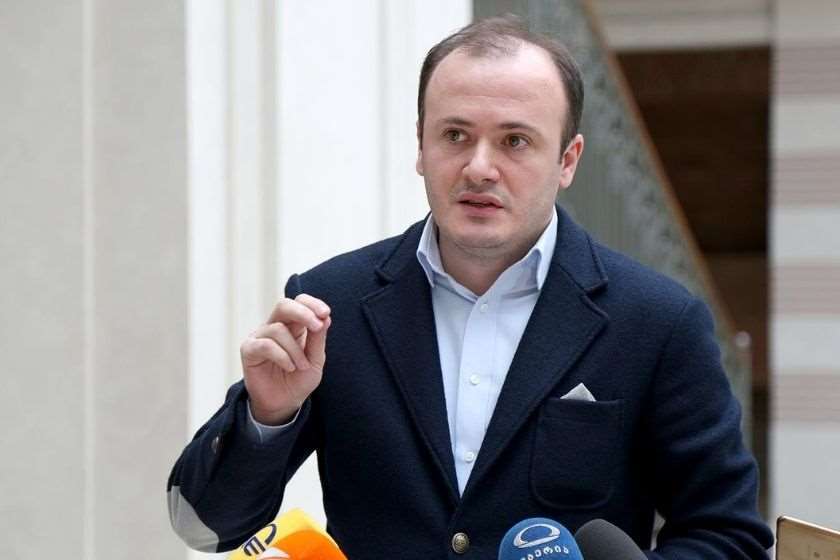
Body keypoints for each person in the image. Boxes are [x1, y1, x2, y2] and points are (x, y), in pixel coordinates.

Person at [168, 16, 773, 559]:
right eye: (455, 135)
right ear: (421, 147)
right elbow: (204, 528)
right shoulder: (333, 303)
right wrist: (268, 415)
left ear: (567, 160)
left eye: (515, 141)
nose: (480, 167)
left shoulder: (657, 321)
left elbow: (729, 537)